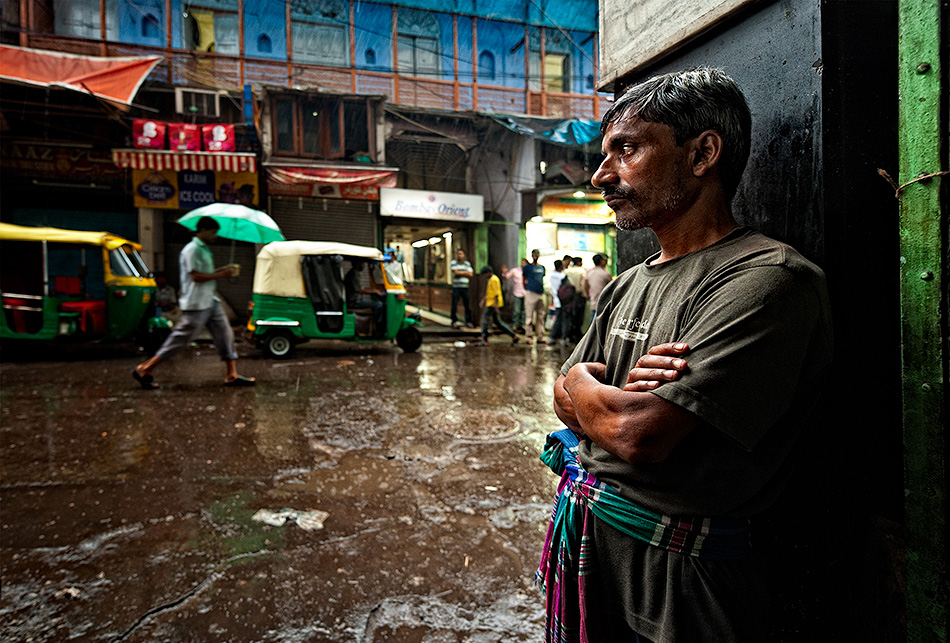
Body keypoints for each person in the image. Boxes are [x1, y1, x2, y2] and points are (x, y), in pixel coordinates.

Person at [537, 68, 833, 643]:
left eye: (626, 149)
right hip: (600, 546)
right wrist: (584, 387)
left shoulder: (767, 280)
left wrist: (592, 394)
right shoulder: (628, 283)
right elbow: (561, 397)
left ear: (703, 154)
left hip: (685, 574)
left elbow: (637, 434)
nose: (602, 175)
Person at [132, 216, 255, 389]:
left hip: (210, 300)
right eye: (212, 232)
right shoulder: (192, 250)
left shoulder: (204, 249)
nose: (215, 236)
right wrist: (222, 275)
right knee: (181, 338)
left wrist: (224, 269)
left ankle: (232, 375)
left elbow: (206, 272)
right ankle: (145, 368)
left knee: (225, 334)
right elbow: (195, 276)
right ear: (202, 230)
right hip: (196, 303)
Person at [475, 266, 519, 346]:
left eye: (485, 274)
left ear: (488, 273)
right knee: (498, 322)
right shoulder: (491, 280)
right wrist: (483, 301)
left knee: (484, 320)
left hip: (492, 304)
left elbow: (496, 294)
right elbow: (488, 292)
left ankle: (484, 339)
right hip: (491, 303)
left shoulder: (494, 280)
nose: (485, 276)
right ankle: (513, 335)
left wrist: (496, 307)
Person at [344, 260, 385, 329]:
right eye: (363, 263)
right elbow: (360, 290)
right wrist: (375, 292)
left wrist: (374, 290)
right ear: (358, 263)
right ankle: (378, 326)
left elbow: (362, 288)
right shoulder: (353, 274)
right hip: (355, 302)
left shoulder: (355, 273)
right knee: (378, 304)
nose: (364, 266)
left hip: (356, 300)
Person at [521, 249, 548, 344]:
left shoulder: (542, 267)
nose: (535, 256)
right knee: (529, 316)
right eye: (534, 254)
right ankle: (528, 337)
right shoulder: (527, 267)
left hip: (540, 293)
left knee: (541, 316)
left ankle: (540, 336)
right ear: (532, 256)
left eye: (537, 254)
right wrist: (526, 289)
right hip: (530, 293)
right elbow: (523, 279)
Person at [449, 249, 474, 328]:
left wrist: (461, 272)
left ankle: (468, 321)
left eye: (460, 254)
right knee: (454, 304)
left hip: (465, 287)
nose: (459, 255)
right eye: (458, 254)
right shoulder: (453, 263)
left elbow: (471, 274)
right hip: (456, 287)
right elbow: (455, 272)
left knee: (467, 305)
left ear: (464, 255)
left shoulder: (467, 264)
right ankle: (454, 321)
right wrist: (465, 272)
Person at [563, 256, 586, 342]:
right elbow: (583, 284)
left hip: (569, 295)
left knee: (570, 315)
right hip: (579, 296)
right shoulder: (581, 271)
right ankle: (577, 334)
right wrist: (585, 295)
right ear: (579, 262)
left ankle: (569, 334)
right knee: (579, 316)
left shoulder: (567, 271)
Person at [502, 259, 527, 331]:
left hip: (525, 293)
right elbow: (507, 276)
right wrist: (504, 272)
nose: (523, 264)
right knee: (517, 310)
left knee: (523, 311)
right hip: (517, 293)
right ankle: (515, 324)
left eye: (524, 263)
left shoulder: (527, 272)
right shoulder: (515, 271)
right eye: (522, 262)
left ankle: (522, 325)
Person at [547, 259, 567, 344]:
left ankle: (554, 337)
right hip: (562, 300)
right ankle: (556, 337)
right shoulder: (562, 277)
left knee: (558, 318)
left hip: (556, 299)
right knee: (561, 319)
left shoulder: (552, 275)